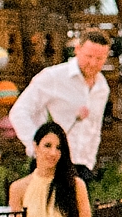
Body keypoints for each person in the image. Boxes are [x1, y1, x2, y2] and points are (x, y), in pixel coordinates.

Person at [9, 31, 112, 181]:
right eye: (89, 56)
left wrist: (89, 163)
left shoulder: (103, 88)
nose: (93, 63)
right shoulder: (53, 77)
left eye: (99, 59)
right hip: (50, 167)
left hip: (82, 170)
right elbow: (18, 112)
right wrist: (37, 149)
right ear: (77, 50)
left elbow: (94, 129)